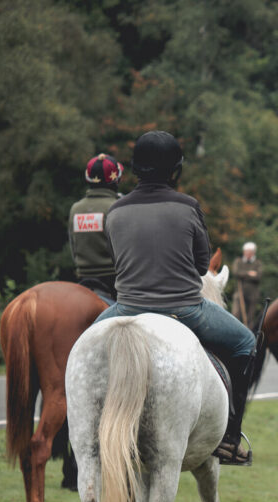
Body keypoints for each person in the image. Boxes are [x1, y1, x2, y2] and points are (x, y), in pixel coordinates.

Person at [95, 130, 257, 466]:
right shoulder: (188, 206)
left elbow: (117, 263)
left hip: (126, 308)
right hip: (185, 309)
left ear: (135, 168)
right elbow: (202, 266)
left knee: (78, 352)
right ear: (175, 169)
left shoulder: (115, 211)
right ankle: (229, 437)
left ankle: (80, 437)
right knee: (246, 343)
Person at [68, 154, 122, 301]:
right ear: (116, 179)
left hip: (83, 279)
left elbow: (73, 248)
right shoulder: (116, 206)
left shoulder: (75, 208)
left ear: (88, 178)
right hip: (114, 281)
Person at [231, 241, 263, 329]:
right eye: (246, 251)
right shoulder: (238, 261)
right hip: (239, 292)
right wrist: (249, 273)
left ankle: (249, 335)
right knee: (236, 314)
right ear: (244, 252)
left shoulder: (257, 263)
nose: (248, 254)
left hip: (252, 294)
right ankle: (233, 331)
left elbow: (258, 276)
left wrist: (243, 275)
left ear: (253, 253)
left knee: (250, 317)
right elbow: (236, 273)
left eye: (250, 252)